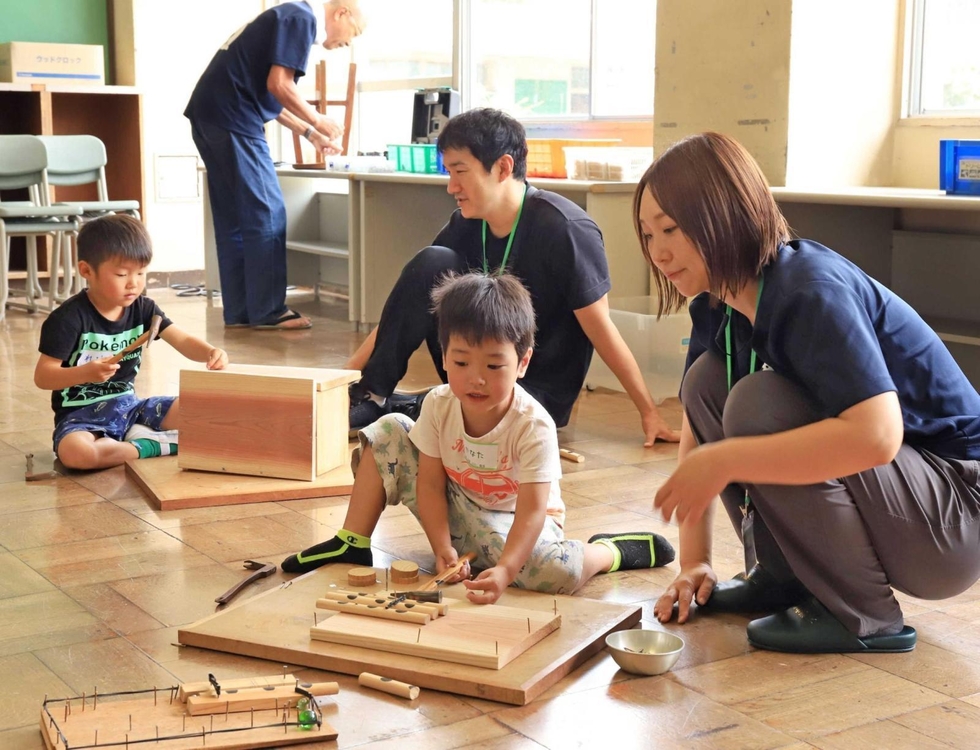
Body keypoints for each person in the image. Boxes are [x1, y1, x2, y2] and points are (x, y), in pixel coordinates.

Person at [639, 132, 980, 653]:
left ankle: (861, 616)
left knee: (757, 404)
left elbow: (878, 437)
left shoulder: (809, 292)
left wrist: (729, 459)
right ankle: (786, 578)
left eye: (671, 228)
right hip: (911, 499)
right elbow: (696, 443)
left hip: (954, 517)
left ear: (724, 216)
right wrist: (695, 563)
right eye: (647, 234)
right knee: (707, 384)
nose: (657, 252)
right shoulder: (717, 304)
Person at [282, 272, 675, 601]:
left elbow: (533, 511)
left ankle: (605, 551)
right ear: (444, 355)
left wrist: (506, 570)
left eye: (494, 364)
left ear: (522, 362)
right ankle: (353, 541)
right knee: (388, 428)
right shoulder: (439, 403)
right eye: (461, 362)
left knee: (556, 574)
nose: (476, 378)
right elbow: (431, 484)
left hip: (513, 519)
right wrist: (441, 549)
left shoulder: (533, 424)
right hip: (455, 502)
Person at [345, 108, 680, 446]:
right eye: (449, 173)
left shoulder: (565, 228)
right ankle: (375, 398)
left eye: (460, 171)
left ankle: (422, 405)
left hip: (536, 389)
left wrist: (648, 411)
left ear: (503, 167)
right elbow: (408, 304)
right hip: (473, 374)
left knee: (445, 416)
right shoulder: (466, 223)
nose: (452, 187)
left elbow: (602, 328)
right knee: (433, 261)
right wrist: (344, 379)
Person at [185, 0, 365, 330]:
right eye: (353, 34)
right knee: (268, 212)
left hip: (209, 114)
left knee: (235, 218)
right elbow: (280, 86)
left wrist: (309, 132)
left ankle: (239, 312)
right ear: (341, 13)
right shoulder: (302, 17)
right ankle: (269, 311)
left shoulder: (286, 14)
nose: (347, 44)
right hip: (233, 117)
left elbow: (267, 96)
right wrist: (319, 119)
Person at [34, 215, 229, 471]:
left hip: (131, 407)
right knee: (76, 454)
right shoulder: (67, 319)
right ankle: (152, 445)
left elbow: (180, 338)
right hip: (81, 417)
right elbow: (43, 377)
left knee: (211, 410)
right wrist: (85, 373)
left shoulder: (144, 309)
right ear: (86, 271)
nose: (134, 283)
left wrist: (211, 352)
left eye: (141, 272)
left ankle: (136, 437)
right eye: (121, 274)